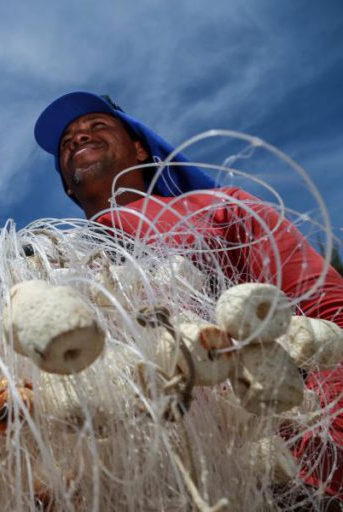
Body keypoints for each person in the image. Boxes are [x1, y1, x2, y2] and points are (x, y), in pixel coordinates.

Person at [35, 91, 343, 503]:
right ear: (67, 187)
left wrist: (320, 453)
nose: (77, 138)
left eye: (96, 126)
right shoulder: (50, 271)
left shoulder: (217, 209)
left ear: (140, 147)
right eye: (66, 142)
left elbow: (324, 313)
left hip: (280, 470)